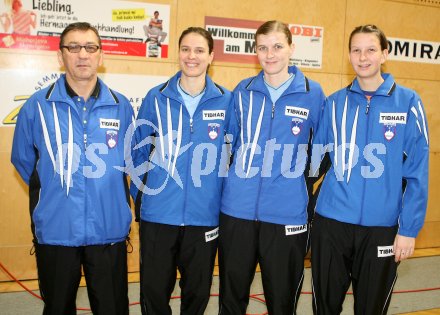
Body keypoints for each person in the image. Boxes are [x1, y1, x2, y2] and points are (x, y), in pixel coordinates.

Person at [11, 22, 134, 315]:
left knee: (112, 308)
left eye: (90, 47)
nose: (82, 55)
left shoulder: (121, 107)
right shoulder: (37, 106)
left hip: (108, 230)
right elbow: (24, 161)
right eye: (74, 47)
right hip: (57, 230)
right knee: (57, 308)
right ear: (60, 56)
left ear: (100, 56)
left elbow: (131, 161)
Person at [310, 24, 429, 315]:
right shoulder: (334, 103)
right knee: (324, 308)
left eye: (371, 50)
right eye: (356, 50)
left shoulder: (409, 103)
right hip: (331, 224)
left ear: (384, 54)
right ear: (349, 55)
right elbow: (314, 162)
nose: (363, 57)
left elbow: (417, 172)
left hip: (381, 228)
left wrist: (409, 229)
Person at [219, 20, 325, 314]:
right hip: (236, 212)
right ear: (256, 51)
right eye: (263, 47)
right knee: (231, 300)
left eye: (277, 46)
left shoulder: (313, 93)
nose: (270, 54)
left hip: (286, 214)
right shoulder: (242, 91)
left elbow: (324, 150)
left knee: (281, 302)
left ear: (292, 48)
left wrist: (298, 183)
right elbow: (227, 145)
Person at [130, 27, 234, 315]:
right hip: (158, 214)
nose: (192, 56)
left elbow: (234, 157)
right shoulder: (156, 97)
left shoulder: (227, 101)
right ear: (178, 53)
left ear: (211, 56)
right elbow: (137, 150)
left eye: (200, 50)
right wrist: (141, 198)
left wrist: (221, 201)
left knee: (197, 295)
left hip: (205, 216)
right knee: (153, 293)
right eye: (186, 49)